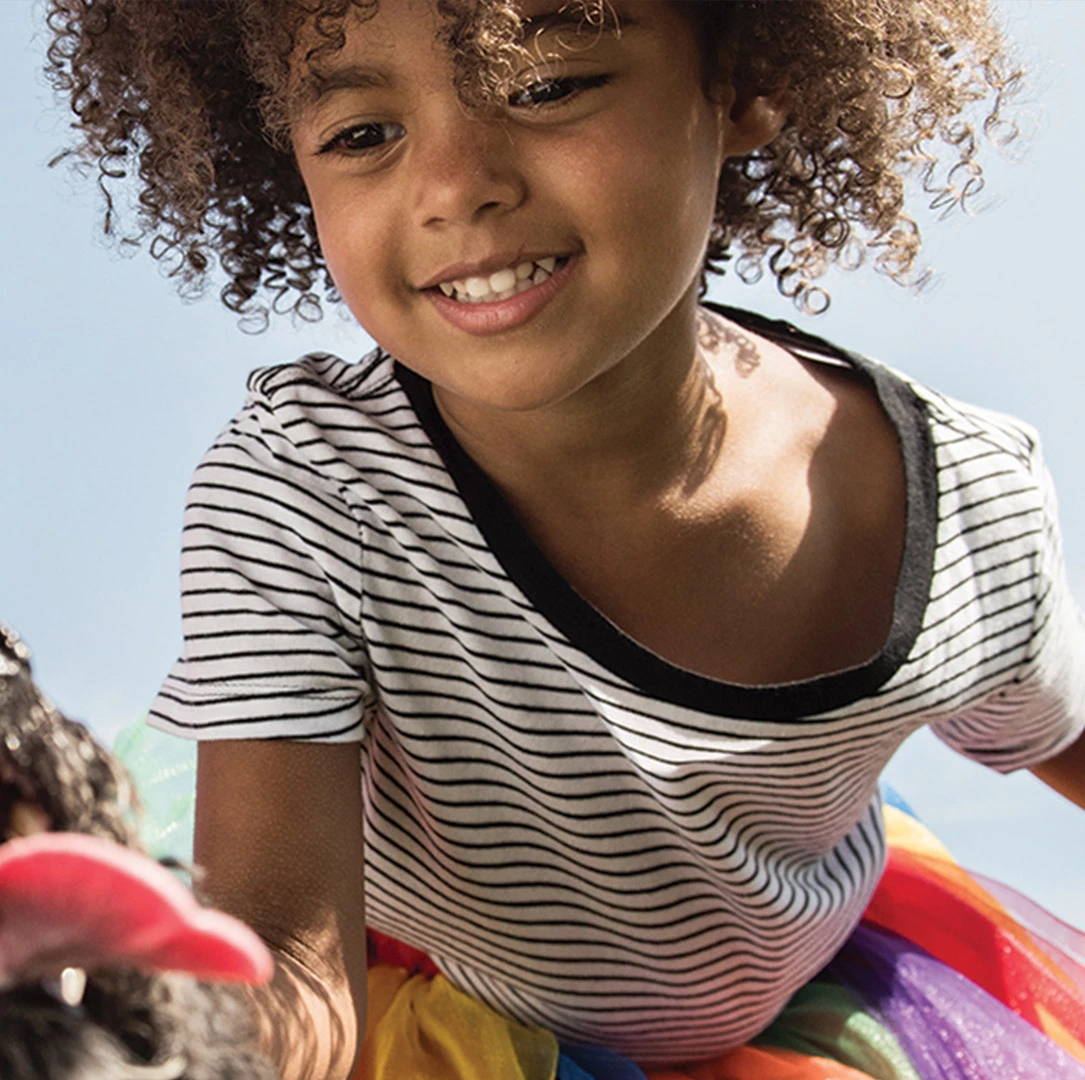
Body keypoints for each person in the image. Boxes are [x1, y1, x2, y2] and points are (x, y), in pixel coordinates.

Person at [42, 1, 1085, 1078]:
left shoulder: (961, 508)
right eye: (362, 134)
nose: (455, 187)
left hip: (825, 977)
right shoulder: (308, 495)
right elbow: (293, 977)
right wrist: (130, 1041)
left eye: (545, 87)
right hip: (440, 996)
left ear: (747, 75)